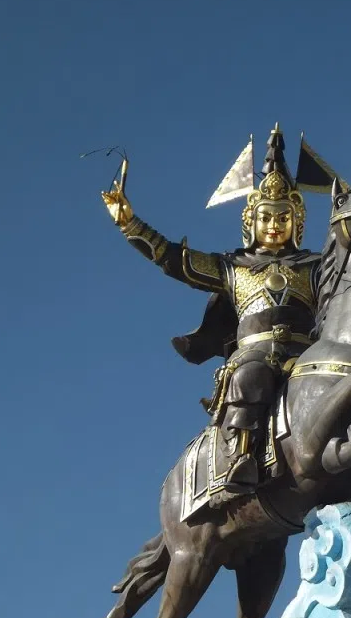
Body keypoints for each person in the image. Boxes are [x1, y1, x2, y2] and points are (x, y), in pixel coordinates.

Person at [102, 126, 323, 494]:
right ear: (250, 222)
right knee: (251, 375)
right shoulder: (233, 266)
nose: (273, 226)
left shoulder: (316, 264)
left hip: (309, 353)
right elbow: (176, 260)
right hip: (256, 354)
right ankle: (242, 454)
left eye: (282, 218)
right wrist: (130, 223)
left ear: (296, 222)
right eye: (266, 218)